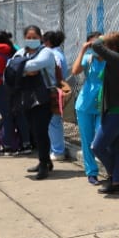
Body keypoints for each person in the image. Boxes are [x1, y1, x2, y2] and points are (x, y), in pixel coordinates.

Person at [89, 31, 119, 194]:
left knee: (97, 146)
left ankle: (112, 173)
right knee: (115, 148)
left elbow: (95, 45)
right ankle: (116, 182)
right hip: (110, 110)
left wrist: (103, 37)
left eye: (107, 45)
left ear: (113, 47)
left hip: (116, 111)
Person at [16, 25, 58, 179]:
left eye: (35, 37)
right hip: (27, 97)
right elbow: (10, 66)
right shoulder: (22, 52)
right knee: (33, 130)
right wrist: (24, 69)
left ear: (40, 38)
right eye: (29, 37)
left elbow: (35, 65)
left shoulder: (46, 52)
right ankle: (45, 161)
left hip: (43, 97)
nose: (31, 40)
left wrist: (20, 68)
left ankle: (44, 165)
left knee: (40, 131)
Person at [71, 30, 105, 185]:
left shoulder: (110, 60)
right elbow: (75, 71)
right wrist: (84, 49)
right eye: (93, 44)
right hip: (85, 104)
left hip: (104, 104)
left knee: (101, 136)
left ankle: (109, 170)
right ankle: (91, 172)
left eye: (99, 43)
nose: (96, 47)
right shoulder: (88, 58)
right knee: (87, 139)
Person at [43, 30, 72, 163]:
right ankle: (56, 150)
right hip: (55, 89)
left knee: (53, 122)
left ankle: (58, 151)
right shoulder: (57, 53)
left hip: (53, 91)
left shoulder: (53, 55)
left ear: (47, 42)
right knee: (52, 122)